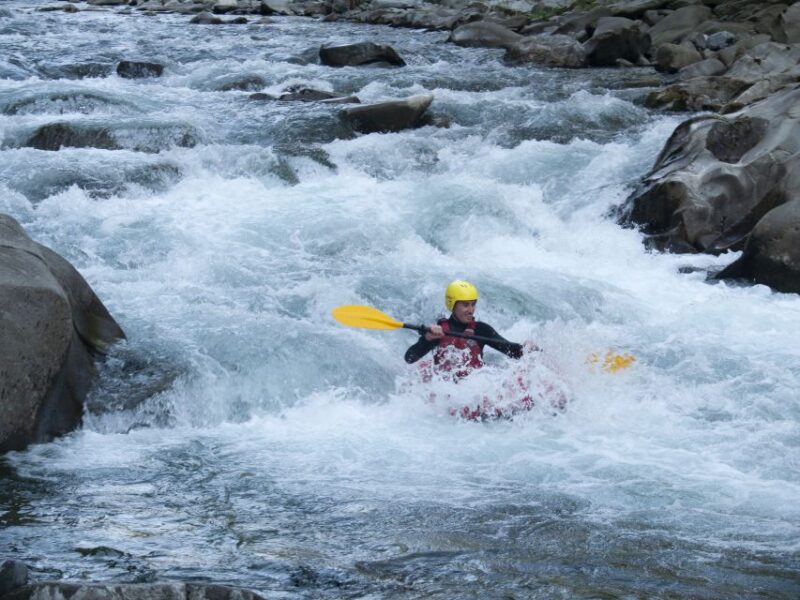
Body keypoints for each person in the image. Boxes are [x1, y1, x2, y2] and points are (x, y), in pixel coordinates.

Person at [404, 280, 533, 379]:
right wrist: (427, 339)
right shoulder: (438, 331)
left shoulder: (481, 330)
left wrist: (526, 349)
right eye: (465, 305)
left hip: (472, 390)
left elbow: (510, 350)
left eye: (473, 304)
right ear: (453, 305)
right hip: (446, 390)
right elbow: (409, 358)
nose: (471, 310)